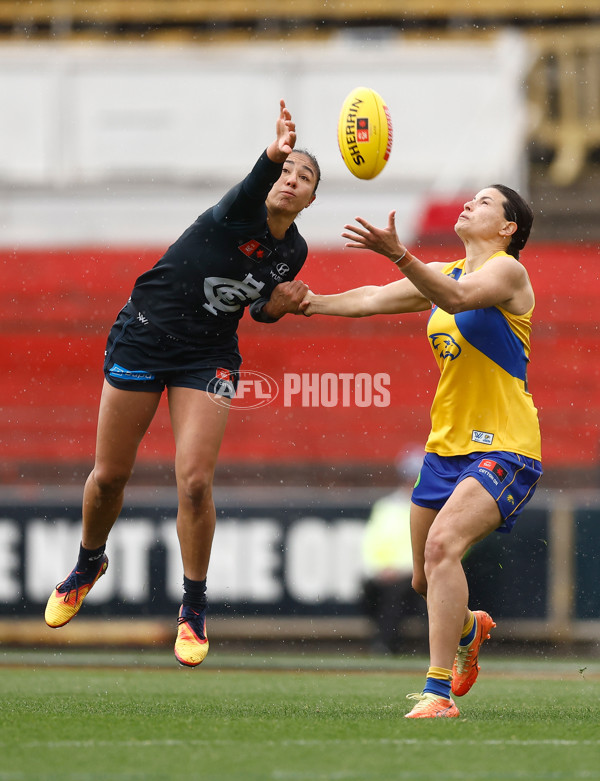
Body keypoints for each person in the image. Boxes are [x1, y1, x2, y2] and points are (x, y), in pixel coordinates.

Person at [45, 99, 320, 667]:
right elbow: (255, 179)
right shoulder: (239, 210)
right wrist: (274, 152)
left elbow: (257, 310)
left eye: (305, 178)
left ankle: (192, 610)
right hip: (144, 336)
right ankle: (89, 561)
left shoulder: (293, 251)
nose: (291, 180)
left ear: (312, 200)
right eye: (287, 171)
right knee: (109, 477)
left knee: (194, 482)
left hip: (209, 354)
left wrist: (280, 307)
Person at [301, 185, 542, 718]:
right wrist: (308, 303)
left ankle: (437, 693)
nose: (469, 205)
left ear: (507, 229)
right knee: (422, 577)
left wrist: (399, 254)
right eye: (470, 198)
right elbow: (370, 299)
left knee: (442, 549)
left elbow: (455, 300)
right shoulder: (442, 273)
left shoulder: (508, 273)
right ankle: (470, 626)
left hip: (505, 446)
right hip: (444, 450)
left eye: (484, 202)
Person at [361, 450, 424, 655]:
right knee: (374, 590)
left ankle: (385, 644)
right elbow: (371, 543)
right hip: (388, 574)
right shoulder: (386, 507)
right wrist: (379, 570)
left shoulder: (436, 507)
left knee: (396, 593)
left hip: (419, 574)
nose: (412, 482)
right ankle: (386, 643)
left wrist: (406, 570)